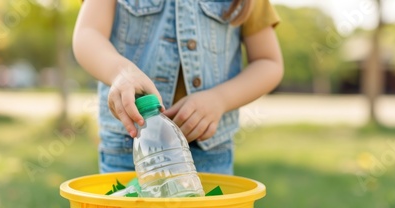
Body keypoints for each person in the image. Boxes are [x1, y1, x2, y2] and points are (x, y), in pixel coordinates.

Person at [73, 0, 283, 175]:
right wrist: (120, 72)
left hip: (208, 150)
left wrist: (220, 99)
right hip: (130, 145)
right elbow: (88, 34)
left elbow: (268, 62)